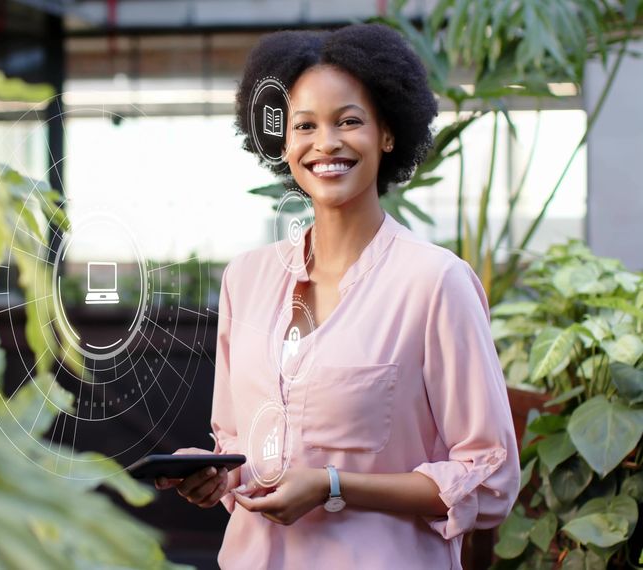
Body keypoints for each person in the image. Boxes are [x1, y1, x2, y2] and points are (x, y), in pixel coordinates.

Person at [155, 24, 520, 569]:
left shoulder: (436, 282)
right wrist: (214, 471)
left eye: (348, 121)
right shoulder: (245, 280)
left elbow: (489, 476)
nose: (325, 143)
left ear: (387, 134)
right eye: (305, 125)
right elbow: (242, 446)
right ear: (282, 143)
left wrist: (332, 485)